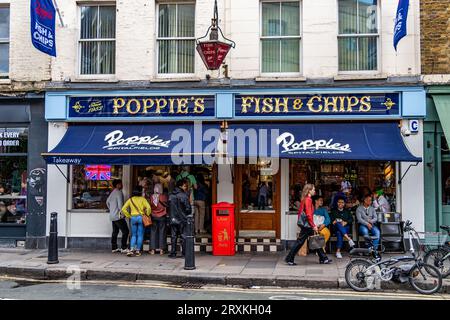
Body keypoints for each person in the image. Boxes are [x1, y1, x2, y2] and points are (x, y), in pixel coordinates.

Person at [285, 184, 332, 265]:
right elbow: (309, 215)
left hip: (307, 224)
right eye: (313, 189)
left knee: (314, 239)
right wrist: (313, 225)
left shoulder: (305, 199)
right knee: (301, 242)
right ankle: (289, 258)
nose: (314, 191)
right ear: (309, 190)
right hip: (308, 225)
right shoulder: (308, 200)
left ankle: (323, 258)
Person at [121, 186, 151, 257]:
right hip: (141, 218)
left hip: (133, 218)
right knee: (140, 235)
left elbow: (123, 209)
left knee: (133, 235)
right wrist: (147, 214)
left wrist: (129, 216)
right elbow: (149, 208)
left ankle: (131, 249)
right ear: (140, 192)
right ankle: (137, 250)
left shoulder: (130, 199)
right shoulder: (143, 199)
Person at [168, 178, 192, 258]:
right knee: (183, 236)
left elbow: (168, 207)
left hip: (172, 218)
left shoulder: (171, 195)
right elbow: (188, 209)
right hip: (182, 219)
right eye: (185, 186)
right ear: (180, 186)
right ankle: (184, 253)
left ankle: (173, 253)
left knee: (173, 236)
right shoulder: (184, 196)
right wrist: (186, 213)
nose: (186, 188)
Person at [106, 179, 129, 253]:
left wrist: (111, 209)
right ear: (117, 185)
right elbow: (120, 206)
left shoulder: (112, 192)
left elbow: (107, 202)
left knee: (115, 232)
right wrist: (123, 214)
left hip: (112, 215)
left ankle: (114, 247)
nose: (122, 185)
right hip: (118, 216)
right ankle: (123, 247)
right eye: (121, 184)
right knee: (126, 231)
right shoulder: (119, 192)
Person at [149, 183, 168, 255]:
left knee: (153, 232)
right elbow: (166, 204)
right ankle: (161, 250)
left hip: (153, 216)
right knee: (162, 232)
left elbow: (150, 205)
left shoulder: (151, 196)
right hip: (162, 216)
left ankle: (153, 250)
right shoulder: (163, 196)